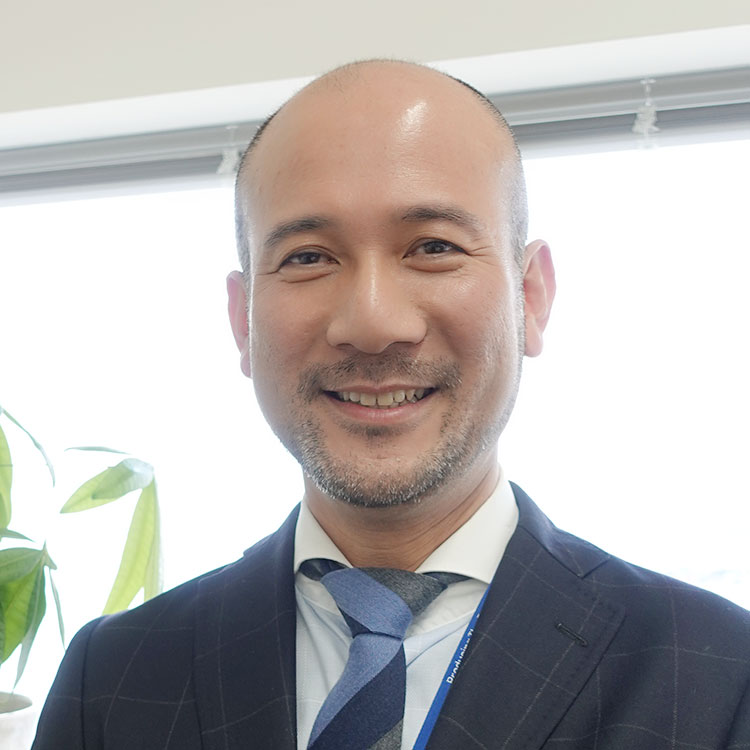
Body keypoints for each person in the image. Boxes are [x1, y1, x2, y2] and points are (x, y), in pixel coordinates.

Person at [33, 60, 749, 750]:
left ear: (531, 298)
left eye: (433, 246)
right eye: (308, 257)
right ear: (242, 321)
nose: (372, 323)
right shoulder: (114, 678)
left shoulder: (718, 673)